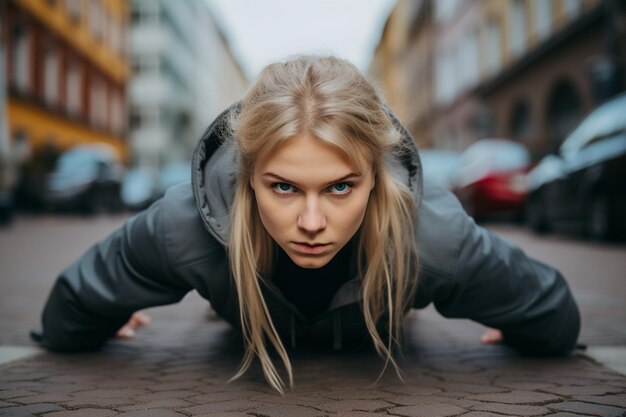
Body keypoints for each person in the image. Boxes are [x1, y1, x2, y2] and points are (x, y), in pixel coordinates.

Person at [34, 56, 580, 394]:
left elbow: (554, 316)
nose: (312, 222)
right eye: (284, 187)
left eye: (341, 187)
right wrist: (105, 311)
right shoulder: (183, 226)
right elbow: (66, 316)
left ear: (374, 177)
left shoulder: (433, 235)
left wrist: (519, 322)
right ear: (247, 179)